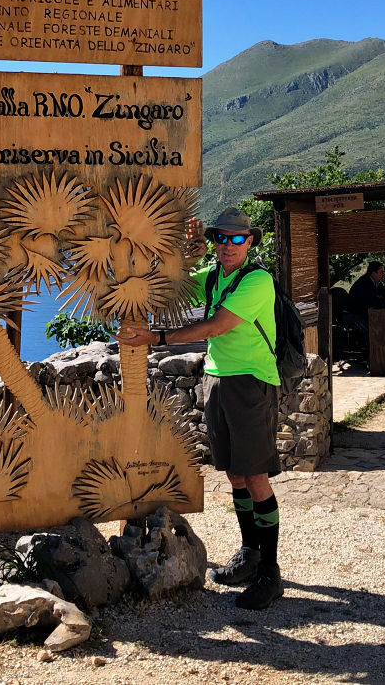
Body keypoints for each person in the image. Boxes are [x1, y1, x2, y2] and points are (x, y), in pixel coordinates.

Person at [116, 207, 284, 610]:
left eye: (237, 238)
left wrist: (156, 338)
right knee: (235, 473)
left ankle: (270, 572)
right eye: (221, 238)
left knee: (255, 476)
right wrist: (185, 252)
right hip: (217, 378)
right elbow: (168, 287)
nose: (228, 245)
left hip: (251, 381)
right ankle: (249, 554)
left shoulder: (257, 280)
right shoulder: (212, 277)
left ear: (250, 242)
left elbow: (216, 326)